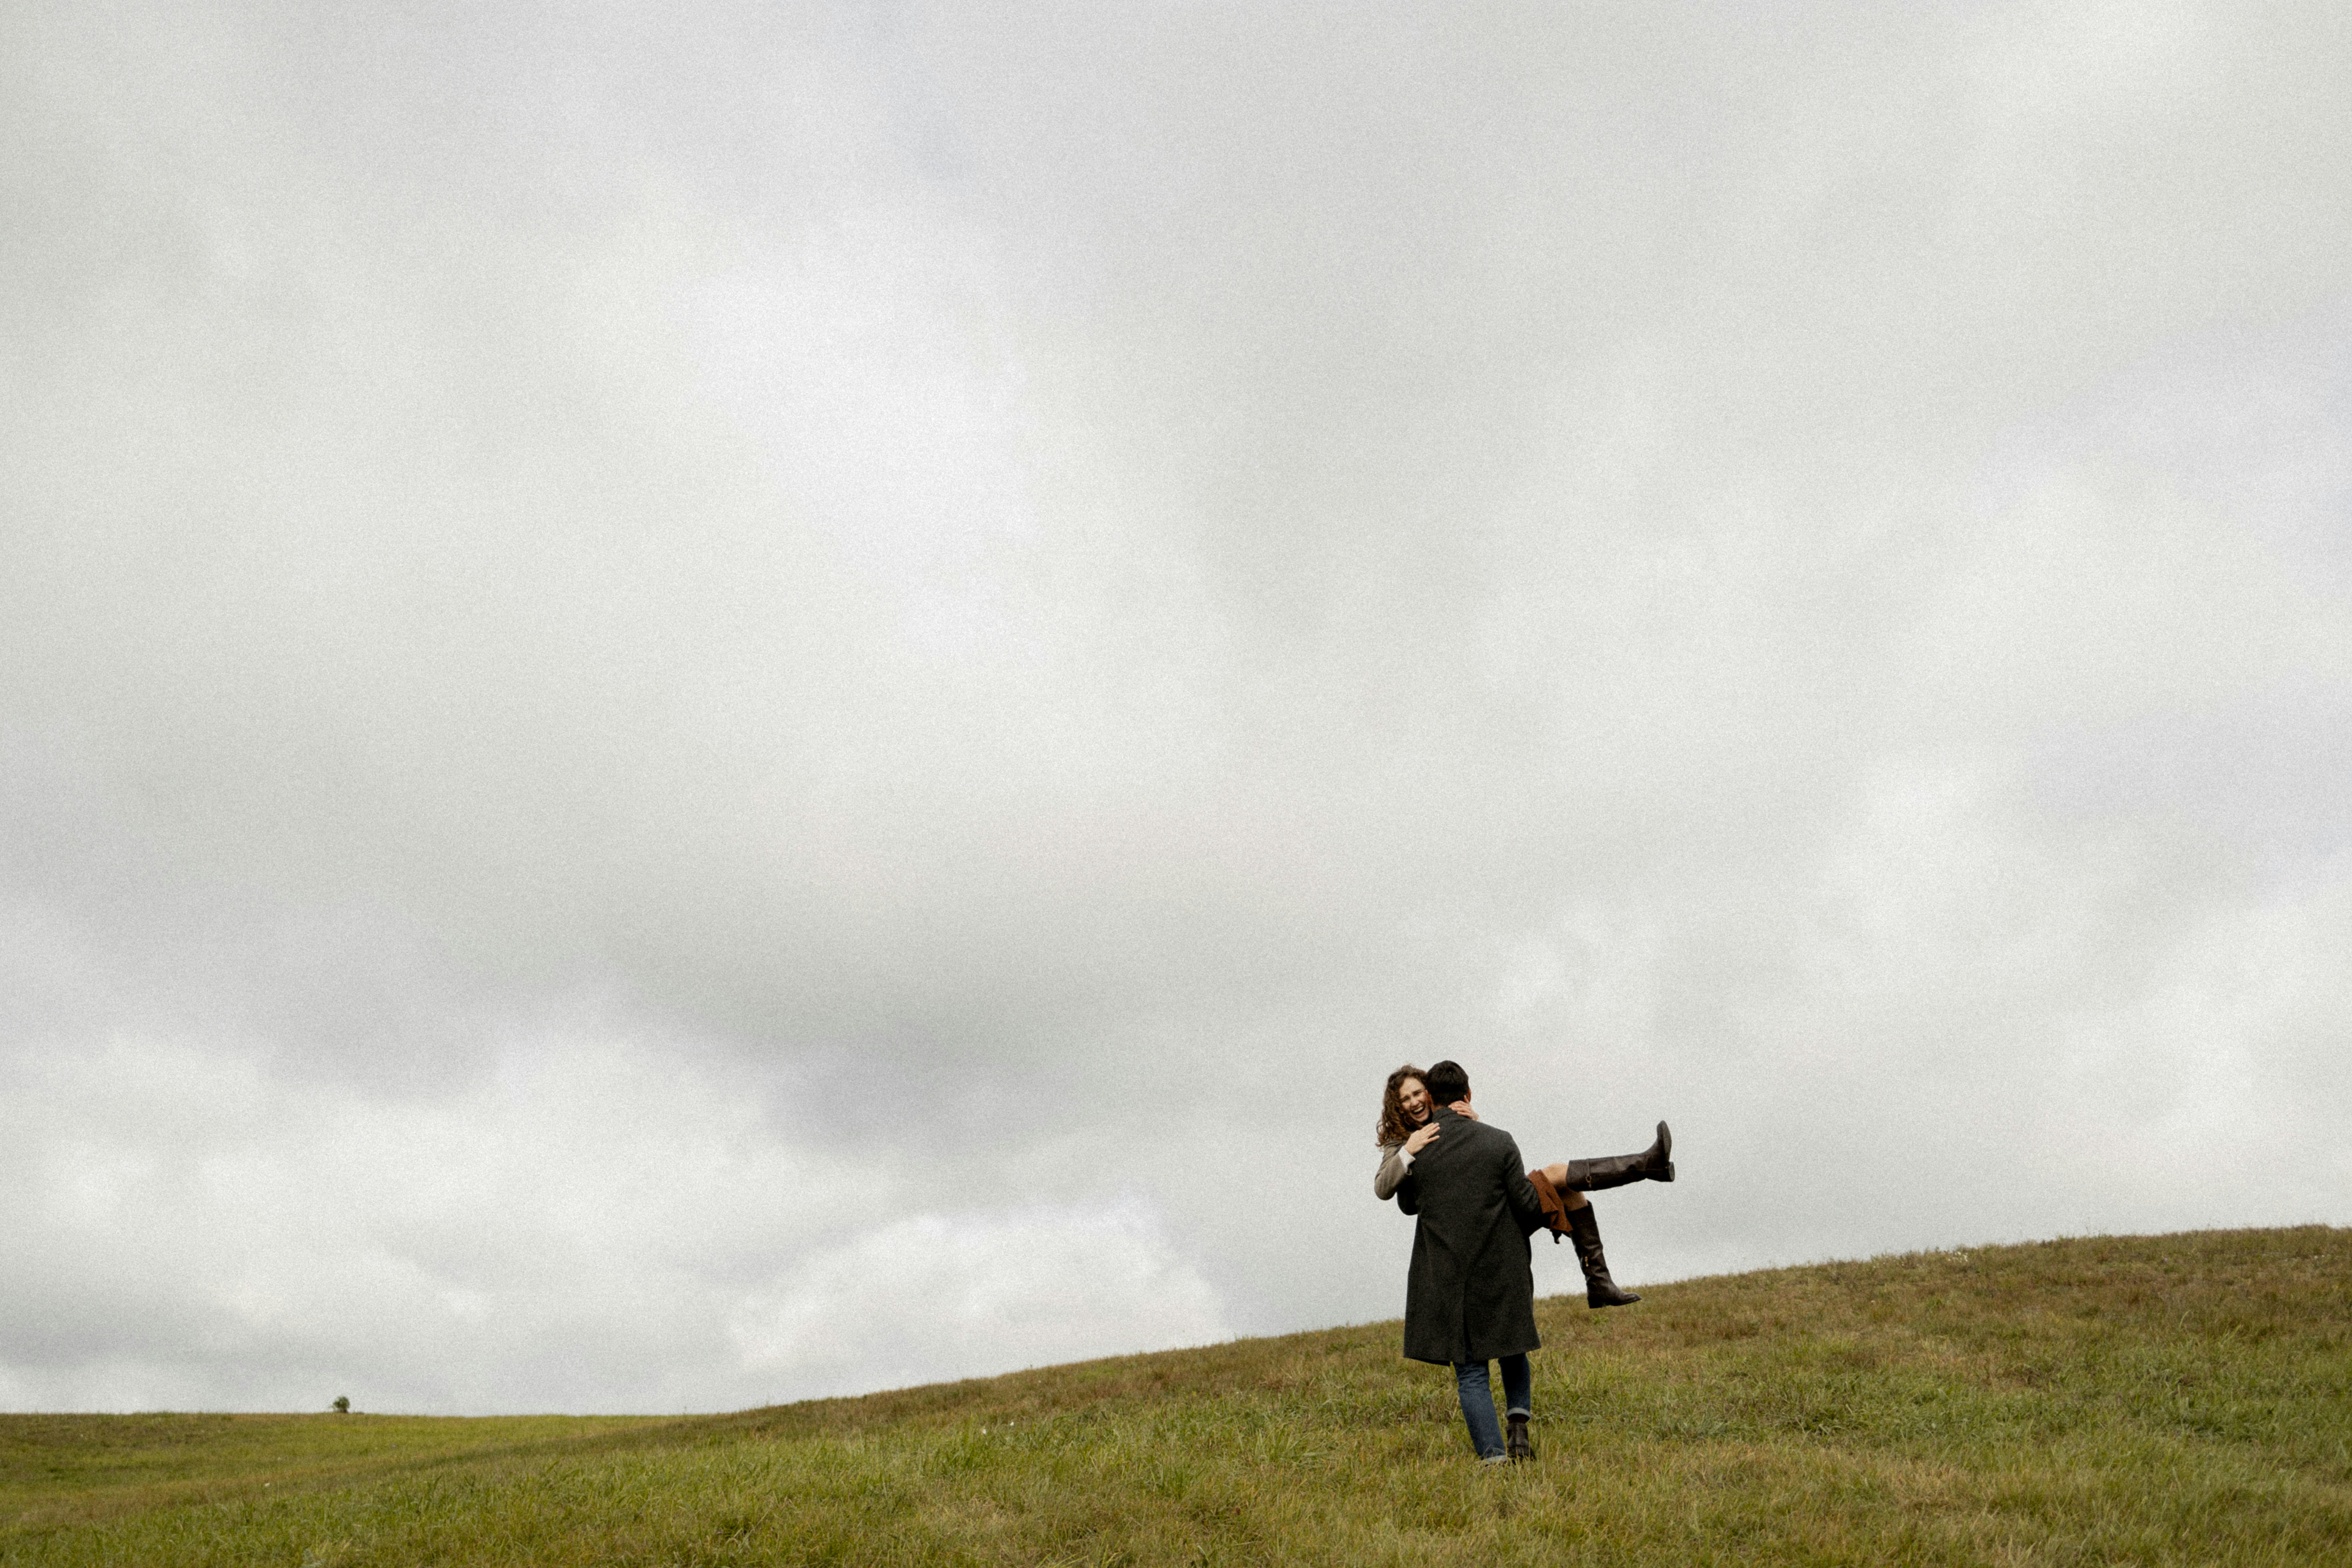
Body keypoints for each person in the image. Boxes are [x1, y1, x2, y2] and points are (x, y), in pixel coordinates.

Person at [1376, 1063, 1672, 1310]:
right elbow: (1383, 1189)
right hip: (1475, 1223)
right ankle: (1647, 1167)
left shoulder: (1452, 1124)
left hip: (1495, 1208)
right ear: (1397, 1107)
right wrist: (1408, 1151)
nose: (1414, 1102)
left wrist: (1475, 1125)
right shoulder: (1400, 1142)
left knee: (1567, 1187)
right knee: (1557, 1174)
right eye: (1405, 1099)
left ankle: (1599, 1280)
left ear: (1429, 1095)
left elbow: (1482, 1164)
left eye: (1418, 1094)